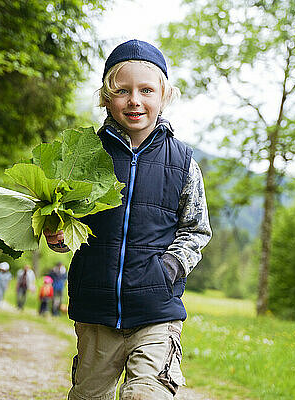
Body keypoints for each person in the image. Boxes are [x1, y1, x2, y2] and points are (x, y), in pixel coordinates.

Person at [44, 39, 212, 399]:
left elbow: (196, 229)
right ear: (106, 98)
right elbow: (63, 217)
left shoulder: (182, 162)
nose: (135, 100)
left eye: (146, 90)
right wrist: (57, 235)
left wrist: (167, 268)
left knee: (146, 394)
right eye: (122, 91)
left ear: (163, 96)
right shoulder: (84, 156)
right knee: (90, 395)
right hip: (96, 310)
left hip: (156, 310)